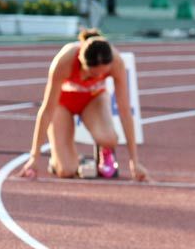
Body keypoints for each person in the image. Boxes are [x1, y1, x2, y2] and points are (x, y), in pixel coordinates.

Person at [18, 28, 149, 182]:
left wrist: (134, 161)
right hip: (63, 104)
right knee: (67, 171)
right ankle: (57, 160)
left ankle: (105, 152)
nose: (99, 77)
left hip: (93, 101)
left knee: (109, 139)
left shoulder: (116, 61)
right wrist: (34, 157)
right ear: (80, 60)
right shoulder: (64, 61)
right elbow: (47, 110)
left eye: (103, 74)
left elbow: (125, 111)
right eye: (93, 74)